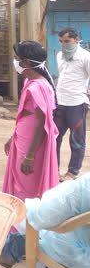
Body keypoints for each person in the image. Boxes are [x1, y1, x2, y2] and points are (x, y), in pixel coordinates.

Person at [0, 174, 89, 268]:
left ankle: (7, 248)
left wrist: (30, 207)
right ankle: (9, 248)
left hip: (80, 260)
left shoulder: (85, 186)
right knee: (56, 241)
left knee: (43, 237)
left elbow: (42, 216)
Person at [4, 41, 60, 201]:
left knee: (26, 184)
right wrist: (13, 136)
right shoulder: (30, 82)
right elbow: (26, 115)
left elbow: (42, 123)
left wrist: (30, 156)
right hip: (22, 138)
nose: (15, 62)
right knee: (18, 181)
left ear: (26, 62)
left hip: (31, 145)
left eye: (17, 58)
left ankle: (26, 224)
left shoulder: (38, 86)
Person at [54, 27, 90, 181]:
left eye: (67, 41)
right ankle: (53, 169)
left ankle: (72, 172)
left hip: (77, 103)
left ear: (76, 40)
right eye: (61, 42)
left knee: (76, 140)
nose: (64, 44)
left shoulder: (85, 57)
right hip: (60, 103)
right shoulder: (60, 55)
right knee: (54, 138)